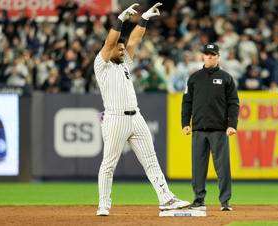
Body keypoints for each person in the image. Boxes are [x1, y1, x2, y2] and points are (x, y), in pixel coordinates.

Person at [94, 3, 190, 216]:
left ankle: (166, 198)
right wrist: (120, 20)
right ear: (108, 51)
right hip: (115, 118)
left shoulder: (125, 63)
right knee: (109, 164)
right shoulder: (101, 65)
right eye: (117, 48)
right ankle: (103, 204)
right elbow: (110, 41)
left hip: (135, 117)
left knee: (151, 159)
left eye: (122, 47)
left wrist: (144, 18)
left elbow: (135, 39)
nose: (121, 49)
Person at [181, 43, 239, 211]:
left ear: (218, 57)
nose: (210, 57)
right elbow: (187, 103)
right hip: (198, 130)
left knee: (222, 168)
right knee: (198, 167)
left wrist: (232, 125)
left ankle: (225, 202)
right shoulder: (194, 78)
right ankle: (199, 200)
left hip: (219, 130)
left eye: (213, 54)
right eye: (207, 54)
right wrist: (185, 123)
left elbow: (233, 103)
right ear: (202, 56)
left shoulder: (226, 78)